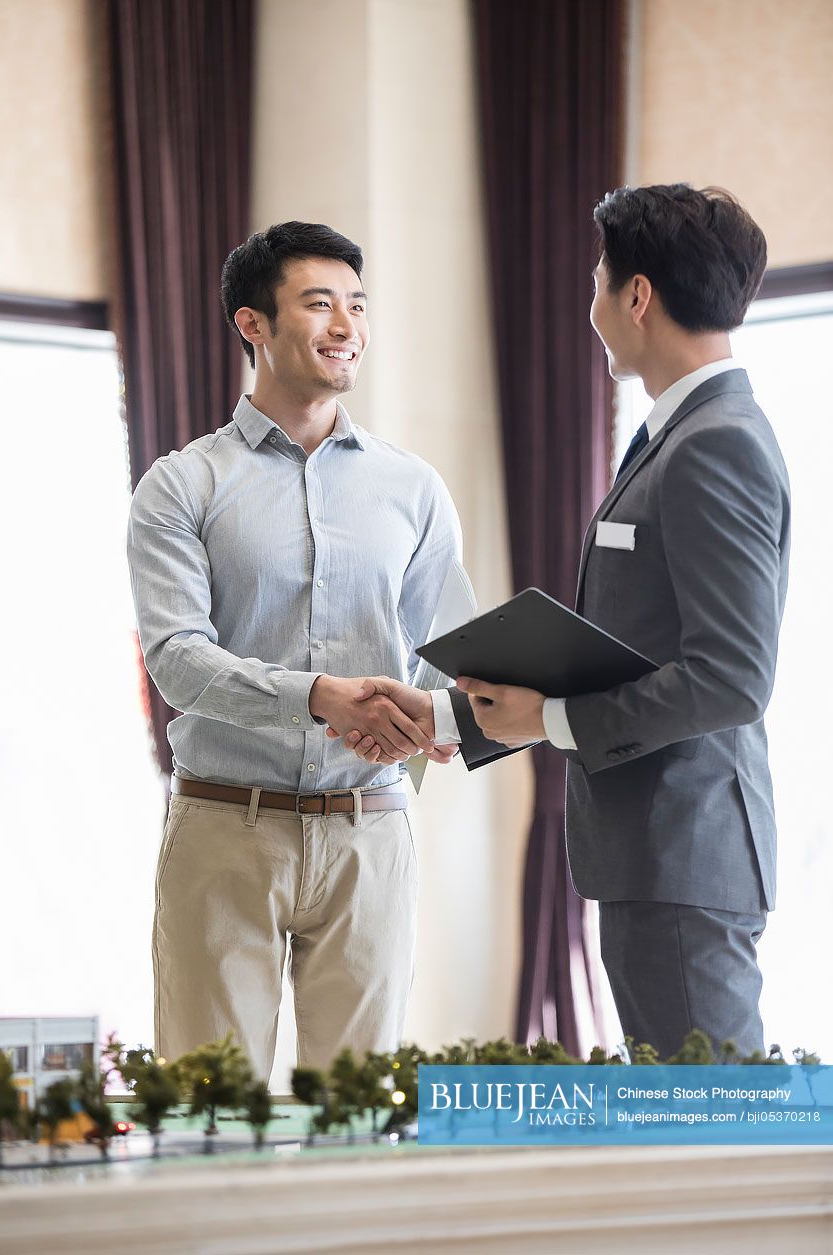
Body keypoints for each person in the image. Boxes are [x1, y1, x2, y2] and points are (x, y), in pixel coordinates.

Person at [339, 186, 790, 1061]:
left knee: (706, 1138)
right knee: (684, 1134)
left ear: (637, 296)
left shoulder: (715, 440)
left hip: (682, 849)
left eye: (596, 282)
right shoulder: (682, 434)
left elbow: (731, 678)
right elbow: (627, 656)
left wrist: (547, 720)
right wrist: (443, 715)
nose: (591, 306)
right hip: (658, 855)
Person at [127, 221, 457, 1079]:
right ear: (254, 326)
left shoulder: (413, 487)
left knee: (356, 1120)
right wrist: (319, 696)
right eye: (319, 303)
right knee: (209, 1110)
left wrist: (411, 730)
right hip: (222, 830)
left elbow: (445, 653)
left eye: (356, 304)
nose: (345, 323)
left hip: (370, 834)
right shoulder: (182, 484)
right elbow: (177, 660)